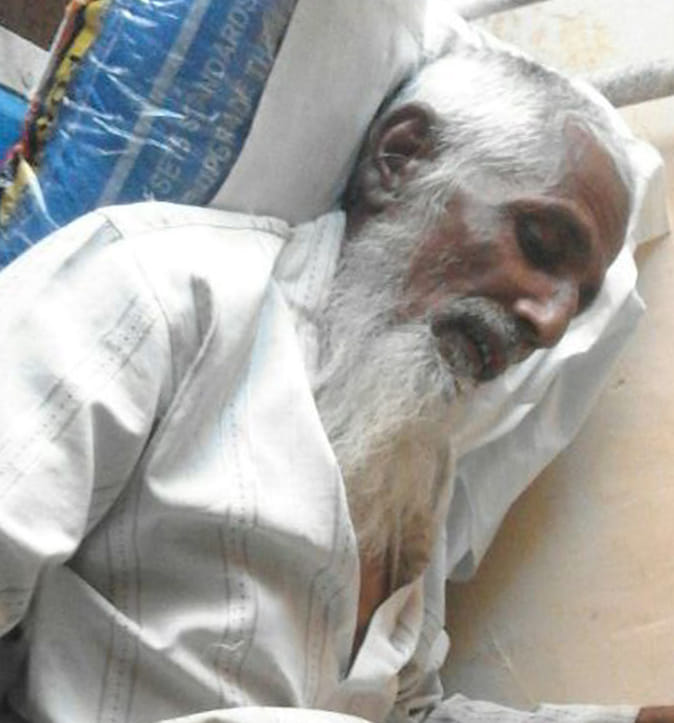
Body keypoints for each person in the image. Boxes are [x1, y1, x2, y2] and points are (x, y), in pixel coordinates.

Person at [0, 43, 671, 723]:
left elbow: (403, 711)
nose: (550, 323)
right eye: (540, 244)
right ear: (401, 159)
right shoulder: (163, 293)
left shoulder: (418, 451)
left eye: (578, 302)